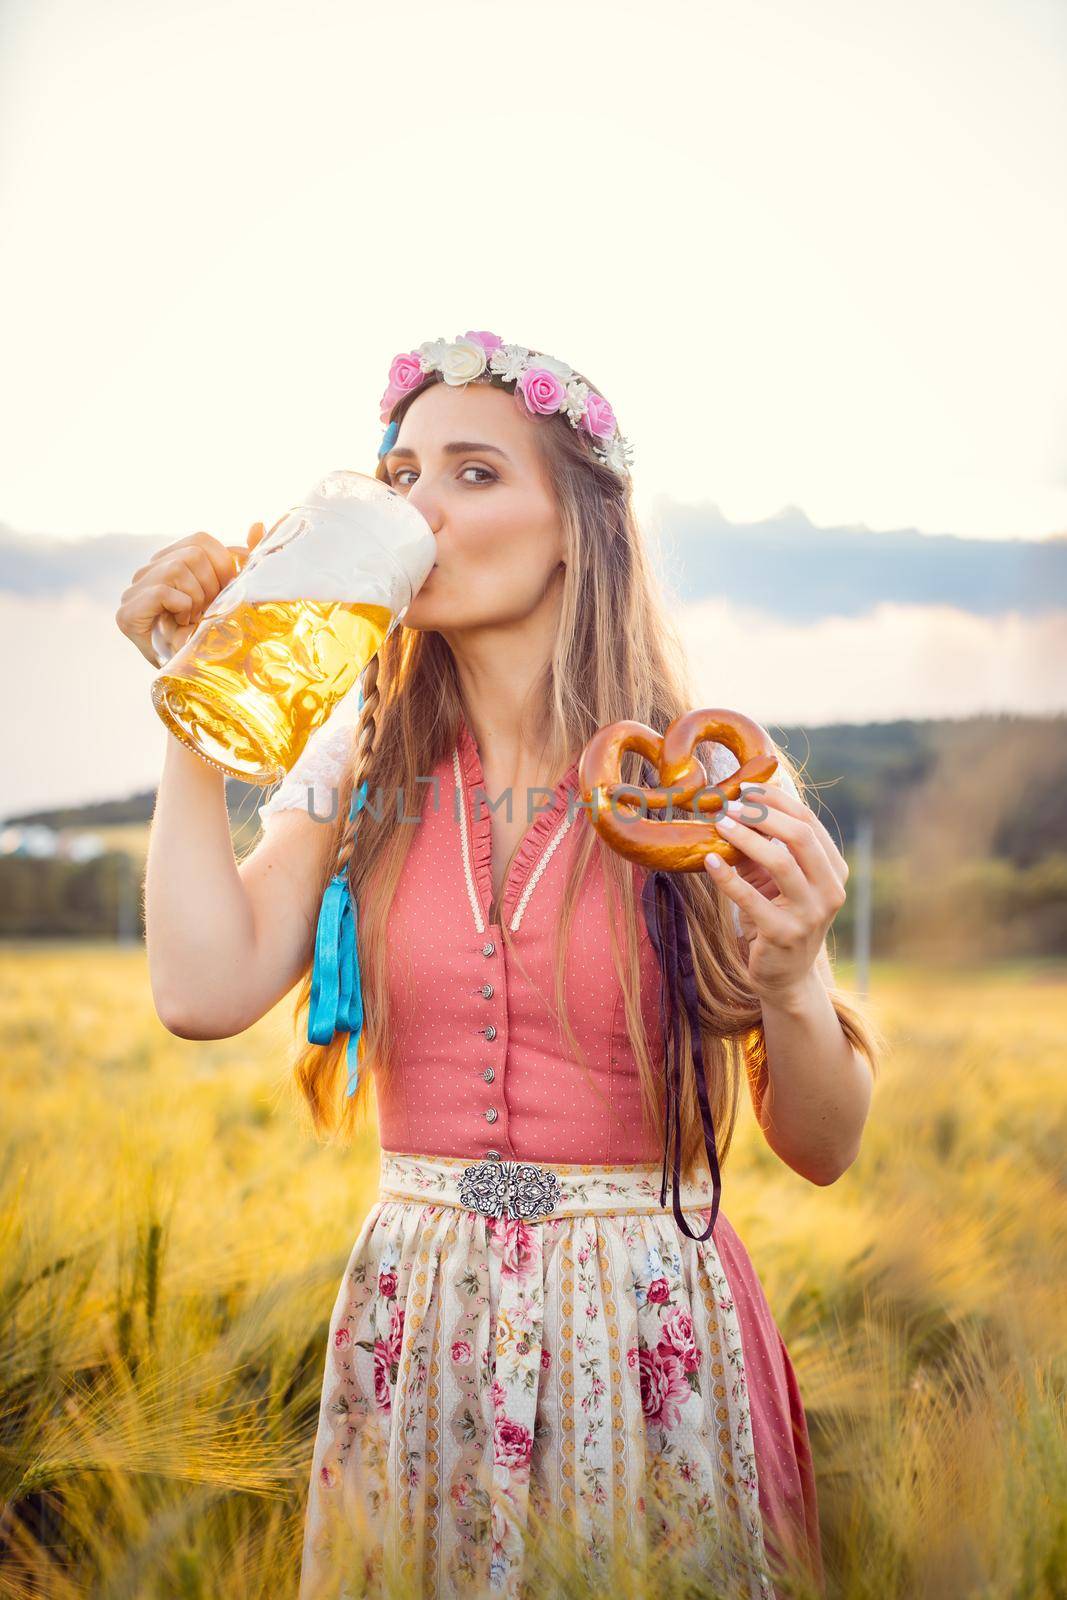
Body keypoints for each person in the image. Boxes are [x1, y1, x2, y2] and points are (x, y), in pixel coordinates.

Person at [117, 331, 881, 1600]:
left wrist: (795, 974)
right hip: (421, 1331)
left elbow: (824, 1142)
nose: (416, 506)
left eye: (472, 473)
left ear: (577, 528)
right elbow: (199, 991)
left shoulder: (696, 783)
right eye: (400, 472)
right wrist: (200, 695)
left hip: (644, 1329)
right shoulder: (356, 771)